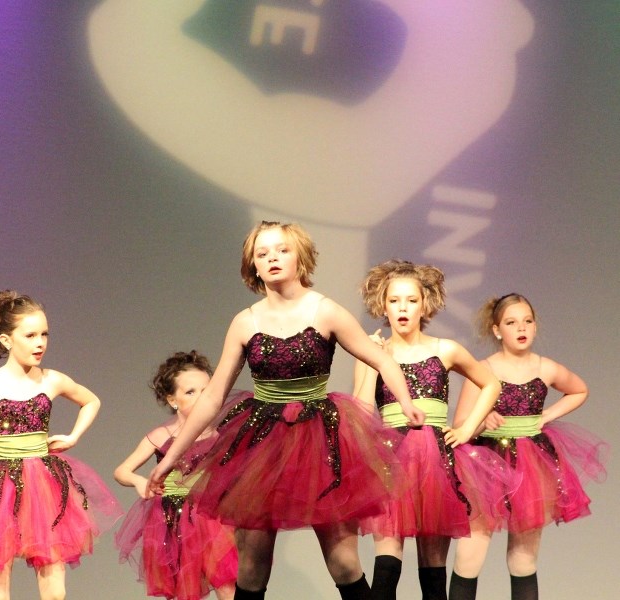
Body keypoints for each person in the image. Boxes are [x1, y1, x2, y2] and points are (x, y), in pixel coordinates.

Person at [148, 221, 426, 600]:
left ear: (300, 256)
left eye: (281, 250)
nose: (272, 258)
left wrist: (406, 401)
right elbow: (213, 398)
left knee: (343, 561)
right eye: (262, 254)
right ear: (253, 267)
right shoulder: (245, 322)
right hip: (262, 445)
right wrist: (169, 460)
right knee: (253, 561)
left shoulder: (325, 311)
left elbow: (382, 359)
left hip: (321, 441)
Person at [0, 290, 122, 600]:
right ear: (6, 340)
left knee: (55, 591)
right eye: (30, 335)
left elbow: (91, 401)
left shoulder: (51, 380)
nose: (40, 342)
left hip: (44, 485)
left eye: (44, 334)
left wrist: (73, 436)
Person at [353, 260, 517, 600]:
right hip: (389, 458)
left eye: (411, 300)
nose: (403, 308)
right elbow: (362, 409)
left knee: (432, 570)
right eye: (395, 300)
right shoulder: (372, 353)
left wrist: (468, 427)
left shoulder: (445, 350)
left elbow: (491, 384)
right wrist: (372, 359)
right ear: (382, 304)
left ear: (424, 304)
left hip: (435, 462)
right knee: (386, 567)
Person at [449, 293, 608, 600]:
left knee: (524, 558)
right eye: (511, 322)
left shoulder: (545, 368)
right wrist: (482, 420)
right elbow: (462, 426)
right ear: (497, 330)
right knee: (470, 554)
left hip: (530, 466)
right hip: (487, 465)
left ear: (535, 326)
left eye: (527, 321)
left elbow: (578, 390)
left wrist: (547, 414)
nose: (521, 328)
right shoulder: (483, 370)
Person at [114, 350, 237, 600]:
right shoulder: (162, 435)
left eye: (206, 390)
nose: (201, 398)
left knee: (227, 585)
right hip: (172, 521)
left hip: (213, 518)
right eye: (190, 392)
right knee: (183, 589)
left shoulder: (221, 432)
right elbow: (121, 471)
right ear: (172, 400)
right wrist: (138, 481)